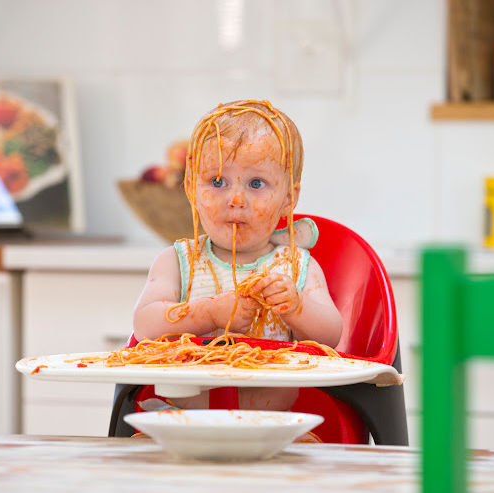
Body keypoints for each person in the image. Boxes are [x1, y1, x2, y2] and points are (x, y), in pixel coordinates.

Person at [132, 99, 342, 411]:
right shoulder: (177, 262)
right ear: (191, 187)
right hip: (183, 422)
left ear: (288, 198)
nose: (236, 198)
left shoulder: (296, 266)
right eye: (217, 182)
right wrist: (211, 312)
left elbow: (332, 335)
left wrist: (296, 307)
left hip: (274, 427)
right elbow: (144, 325)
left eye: (257, 183)